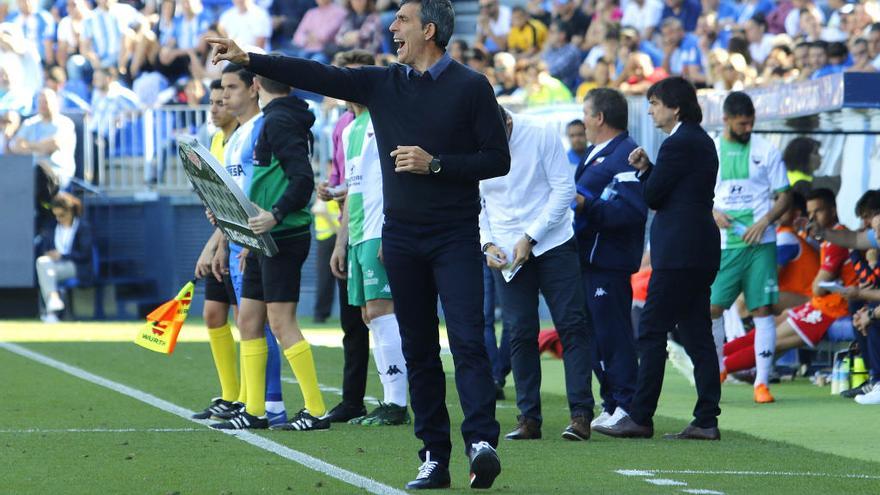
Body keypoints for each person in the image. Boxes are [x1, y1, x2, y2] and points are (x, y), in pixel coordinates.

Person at [208, 0, 509, 487]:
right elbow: (317, 73)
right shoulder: (383, 83)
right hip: (402, 237)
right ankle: (434, 455)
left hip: (454, 236)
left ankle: (481, 441)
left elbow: (497, 160)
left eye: (403, 20)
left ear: (428, 30)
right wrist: (251, 58)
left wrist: (435, 164)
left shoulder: (472, 87)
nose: (392, 26)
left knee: (469, 341)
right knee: (418, 349)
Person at [594, 77, 721, 441]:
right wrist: (652, 168)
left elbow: (653, 195)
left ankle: (641, 416)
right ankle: (706, 419)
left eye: (654, 103)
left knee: (650, 330)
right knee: (697, 334)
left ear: (675, 106)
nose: (650, 110)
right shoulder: (700, 141)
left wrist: (645, 169)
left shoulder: (678, 144)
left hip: (679, 253)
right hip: (699, 249)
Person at [481, 107, 595, 442]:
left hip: (553, 243)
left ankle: (581, 416)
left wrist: (530, 236)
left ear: (509, 123)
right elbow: (476, 203)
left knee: (572, 325)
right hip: (506, 251)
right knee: (519, 333)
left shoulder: (541, 133)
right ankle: (528, 418)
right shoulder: (473, 140)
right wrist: (486, 243)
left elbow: (563, 191)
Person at [329, 49, 411, 427]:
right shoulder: (348, 129)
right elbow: (355, 189)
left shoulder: (385, 119)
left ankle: (397, 402)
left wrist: (390, 231)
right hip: (358, 231)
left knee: (381, 310)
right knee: (367, 314)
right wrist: (341, 240)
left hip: (381, 229)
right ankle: (389, 399)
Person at [208, 64, 287, 430]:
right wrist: (224, 239)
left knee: (265, 322)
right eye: (221, 88)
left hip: (256, 240)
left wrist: (248, 241)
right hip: (238, 240)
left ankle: (271, 403)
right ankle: (252, 402)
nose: (224, 96)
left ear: (253, 89)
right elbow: (234, 198)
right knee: (249, 322)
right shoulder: (237, 136)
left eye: (231, 87)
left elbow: (260, 193)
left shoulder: (261, 130)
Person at [708, 91, 791, 403]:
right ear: (726, 120)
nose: (747, 128)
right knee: (712, 309)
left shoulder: (766, 150)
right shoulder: (712, 150)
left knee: (762, 309)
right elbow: (699, 193)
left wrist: (766, 220)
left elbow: (786, 195)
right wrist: (712, 212)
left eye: (751, 123)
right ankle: (717, 369)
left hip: (760, 243)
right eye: (742, 123)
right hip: (725, 245)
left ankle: (762, 382)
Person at [573, 88, 646, 430]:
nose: (582, 121)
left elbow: (631, 212)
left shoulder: (626, 154)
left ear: (599, 118)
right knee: (597, 335)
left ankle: (626, 404)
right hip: (589, 258)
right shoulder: (596, 153)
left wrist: (587, 205)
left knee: (613, 332)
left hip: (609, 260)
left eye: (586, 114)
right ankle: (611, 402)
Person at [190, 78, 246, 421]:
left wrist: (219, 245)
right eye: (211, 102)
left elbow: (236, 202)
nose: (214, 108)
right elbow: (217, 203)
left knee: (246, 319)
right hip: (221, 237)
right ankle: (229, 394)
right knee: (213, 314)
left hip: (236, 241)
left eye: (221, 102)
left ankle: (248, 397)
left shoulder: (240, 140)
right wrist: (212, 244)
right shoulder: (215, 140)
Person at [35, 193, 94, 323]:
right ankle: (53, 304)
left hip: (76, 266)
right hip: (54, 266)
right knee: (42, 262)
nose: (59, 219)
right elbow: (46, 247)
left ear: (70, 211)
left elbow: (85, 255)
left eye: (62, 215)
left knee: (45, 271)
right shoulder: (53, 227)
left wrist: (63, 255)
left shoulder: (83, 227)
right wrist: (51, 254)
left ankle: (51, 309)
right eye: (56, 215)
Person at [9, 88, 77, 190]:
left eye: (46, 102)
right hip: (32, 171)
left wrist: (28, 145)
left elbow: (53, 145)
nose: (42, 105)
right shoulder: (30, 123)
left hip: (57, 172)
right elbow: (15, 146)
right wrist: (40, 148)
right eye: (40, 102)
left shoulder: (65, 123)